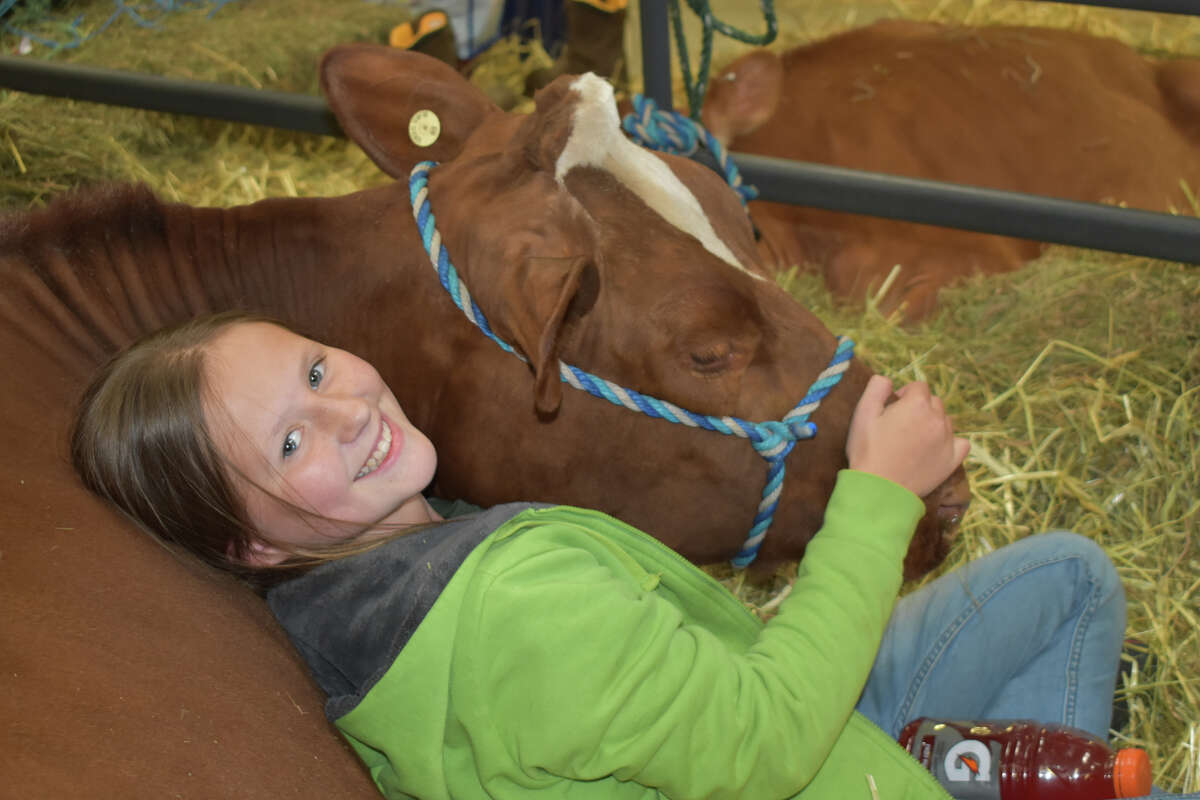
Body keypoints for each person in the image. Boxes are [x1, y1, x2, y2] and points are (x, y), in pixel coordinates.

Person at [70, 311, 1176, 799]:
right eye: (291, 440)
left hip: (755, 700)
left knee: (1065, 574)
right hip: (788, 751)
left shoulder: (374, 582)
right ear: (253, 541)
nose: (349, 405)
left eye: (314, 369)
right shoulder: (510, 613)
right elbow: (765, 742)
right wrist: (877, 498)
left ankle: (977, 766)